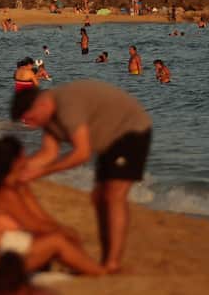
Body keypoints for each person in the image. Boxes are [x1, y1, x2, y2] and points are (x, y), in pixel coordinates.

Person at [11, 81, 152, 272]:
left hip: (131, 130)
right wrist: (18, 172)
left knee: (114, 195)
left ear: (40, 105)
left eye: (32, 118)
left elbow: (82, 153)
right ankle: (106, 259)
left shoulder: (66, 106)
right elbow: (48, 154)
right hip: (108, 141)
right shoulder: (49, 118)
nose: (33, 124)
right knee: (99, 198)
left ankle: (112, 263)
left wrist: (43, 172)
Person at [0, 136, 104, 276]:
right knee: (57, 240)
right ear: (14, 161)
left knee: (64, 234)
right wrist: (62, 232)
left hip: (10, 249)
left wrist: (65, 231)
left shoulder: (19, 187)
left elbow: (43, 218)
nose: (26, 160)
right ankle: (99, 272)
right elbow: (34, 226)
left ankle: (88, 268)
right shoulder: (4, 193)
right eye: (23, 156)